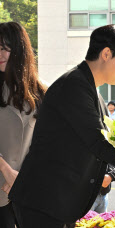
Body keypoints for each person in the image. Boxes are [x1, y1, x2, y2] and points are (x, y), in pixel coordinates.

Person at [8, 25, 115, 228]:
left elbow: (106, 143)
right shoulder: (73, 86)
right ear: (106, 54)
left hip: (58, 203)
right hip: (43, 201)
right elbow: (98, 143)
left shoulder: (91, 91)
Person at [0, 22, 47, 228]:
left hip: (28, 190)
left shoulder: (41, 92)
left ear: (19, 49)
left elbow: (47, 143)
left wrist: (24, 177)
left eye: (4, 47)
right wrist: (7, 171)